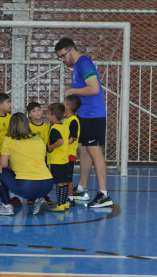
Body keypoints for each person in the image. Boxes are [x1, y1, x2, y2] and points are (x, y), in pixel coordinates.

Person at [55, 38, 113, 208]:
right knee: (83, 150)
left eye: (63, 56)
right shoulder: (77, 66)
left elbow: (94, 88)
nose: (62, 60)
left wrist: (71, 91)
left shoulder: (84, 64)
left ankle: (104, 195)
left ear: (71, 50)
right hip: (85, 114)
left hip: (93, 114)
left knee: (95, 151)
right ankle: (81, 188)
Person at [0, 112, 54, 215]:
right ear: (27, 124)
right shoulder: (38, 140)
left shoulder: (9, 139)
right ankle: (39, 199)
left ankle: (7, 206)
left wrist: (13, 166)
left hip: (28, 186)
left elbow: (3, 164)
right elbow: (40, 159)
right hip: (48, 184)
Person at [26, 101, 52, 205]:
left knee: (43, 177)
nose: (37, 112)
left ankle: (44, 195)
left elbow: (49, 142)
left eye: (39, 110)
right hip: (31, 157)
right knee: (31, 177)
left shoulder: (47, 127)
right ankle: (31, 196)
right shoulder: (27, 127)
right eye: (34, 111)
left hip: (43, 157)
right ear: (29, 114)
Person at [46, 103, 70, 212]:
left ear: (53, 117)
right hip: (65, 158)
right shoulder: (65, 126)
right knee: (65, 182)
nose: (48, 116)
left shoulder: (54, 128)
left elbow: (60, 142)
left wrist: (50, 147)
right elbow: (68, 140)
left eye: (49, 114)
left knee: (59, 182)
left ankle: (59, 205)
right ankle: (64, 203)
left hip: (57, 160)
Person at [63, 95, 81, 207]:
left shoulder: (73, 120)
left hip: (69, 153)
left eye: (64, 103)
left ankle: (70, 198)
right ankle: (65, 197)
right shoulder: (66, 119)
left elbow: (73, 138)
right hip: (64, 153)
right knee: (64, 176)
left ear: (68, 107)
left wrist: (61, 144)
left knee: (68, 177)